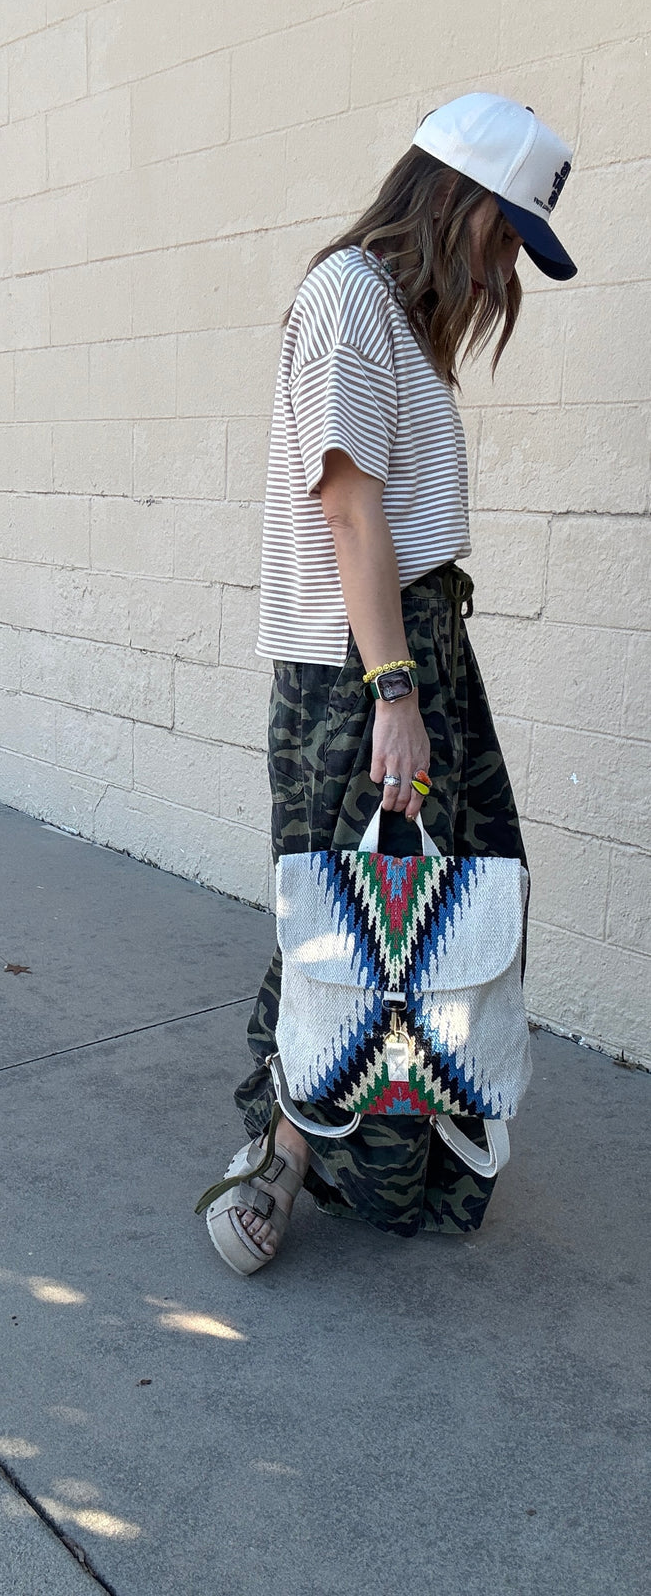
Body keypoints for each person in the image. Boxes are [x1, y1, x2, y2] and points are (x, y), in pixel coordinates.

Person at [198, 93, 577, 1274]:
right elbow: (349, 507)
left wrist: (422, 676)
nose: (504, 260)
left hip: (412, 650)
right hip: (361, 667)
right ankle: (278, 1153)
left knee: (439, 909)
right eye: (505, 229)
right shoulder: (349, 299)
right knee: (341, 919)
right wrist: (396, 691)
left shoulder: (397, 318)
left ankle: (401, 1148)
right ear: (455, 197)